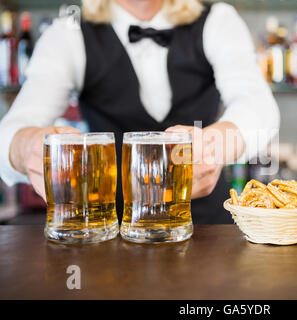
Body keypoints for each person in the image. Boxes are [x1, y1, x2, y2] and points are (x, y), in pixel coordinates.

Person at [0, 0, 279, 223]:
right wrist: (27, 149)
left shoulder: (218, 19)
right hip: (112, 235)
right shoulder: (68, 31)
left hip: (209, 230)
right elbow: (14, 129)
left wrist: (215, 146)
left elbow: (259, 107)